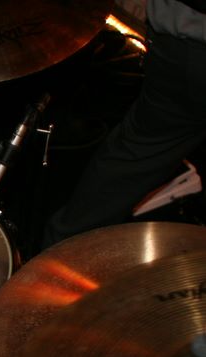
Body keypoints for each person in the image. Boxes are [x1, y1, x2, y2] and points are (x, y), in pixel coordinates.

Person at [42, 0, 206, 248]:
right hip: (189, 45)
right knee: (141, 148)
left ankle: (64, 249)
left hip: (179, 40)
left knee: (136, 153)